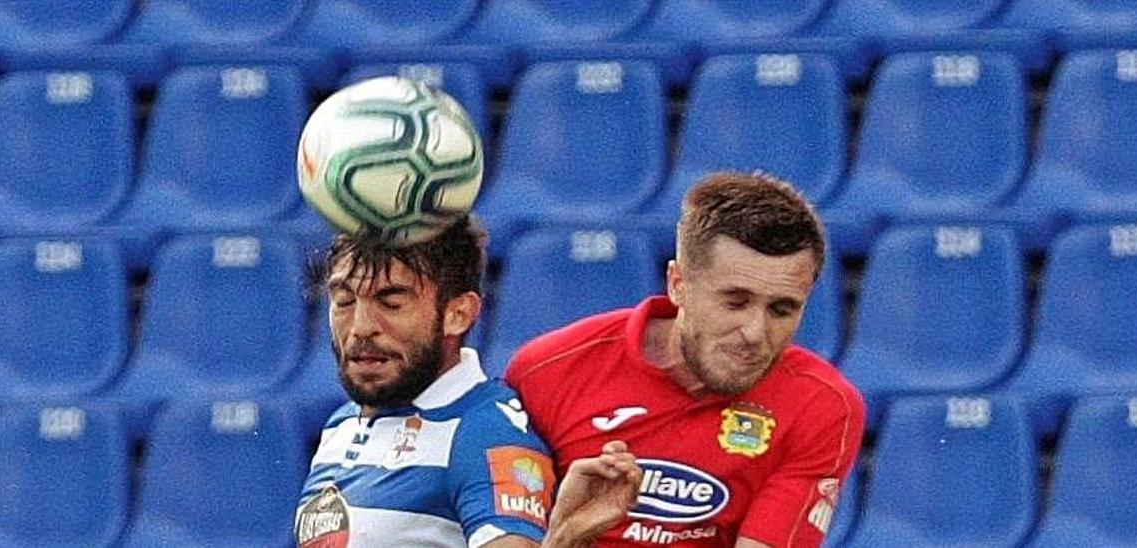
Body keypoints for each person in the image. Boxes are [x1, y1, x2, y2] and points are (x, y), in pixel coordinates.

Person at [506, 172, 867, 547]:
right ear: (678, 284)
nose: (755, 332)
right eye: (735, 302)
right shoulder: (547, 371)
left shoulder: (821, 405)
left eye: (782, 309)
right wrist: (567, 537)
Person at [294, 217, 643, 548]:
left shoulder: (486, 432)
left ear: (458, 314)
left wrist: (565, 538)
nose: (360, 326)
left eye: (391, 302)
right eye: (344, 300)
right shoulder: (341, 424)